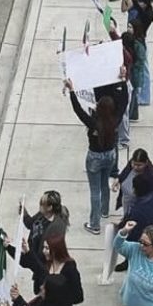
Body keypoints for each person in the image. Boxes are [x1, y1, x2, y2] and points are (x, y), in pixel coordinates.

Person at [65, 77, 128, 235]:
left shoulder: (93, 123)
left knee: (95, 190)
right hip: (110, 155)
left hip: (94, 157)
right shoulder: (115, 120)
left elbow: (78, 110)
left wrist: (72, 91)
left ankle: (94, 224)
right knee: (104, 183)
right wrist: (123, 81)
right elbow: (124, 102)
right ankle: (105, 210)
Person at [22, 190, 70, 259]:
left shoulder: (54, 229)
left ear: (49, 207)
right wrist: (24, 214)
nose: (39, 205)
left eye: (42, 203)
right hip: (32, 253)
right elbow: (31, 224)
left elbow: (45, 254)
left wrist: (31, 257)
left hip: (39, 262)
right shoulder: (42, 214)